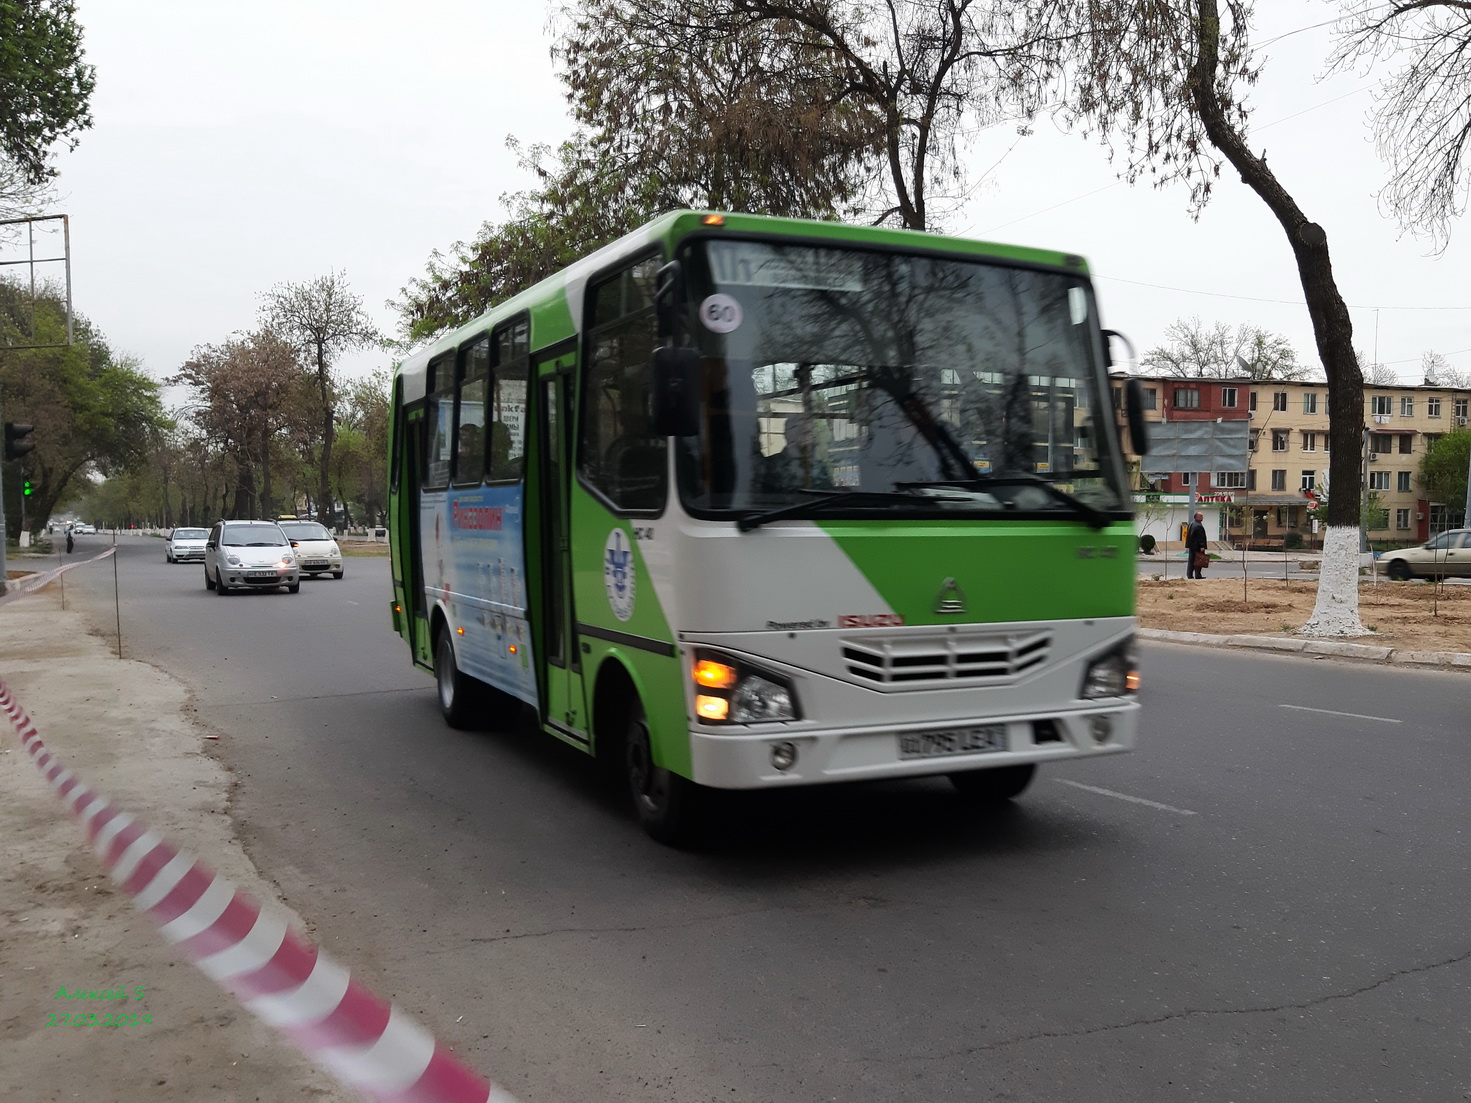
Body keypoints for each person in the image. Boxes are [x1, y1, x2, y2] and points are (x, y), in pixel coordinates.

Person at [1186, 511, 1208, 579]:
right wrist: (1202, 546)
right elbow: (1200, 537)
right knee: (1199, 560)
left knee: (1191, 560)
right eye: (1201, 516)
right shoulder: (1198, 525)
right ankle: (1198, 575)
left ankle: (1189, 574)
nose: (1202, 517)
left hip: (1192, 546)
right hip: (1197, 546)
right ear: (1197, 517)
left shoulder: (1192, 523)